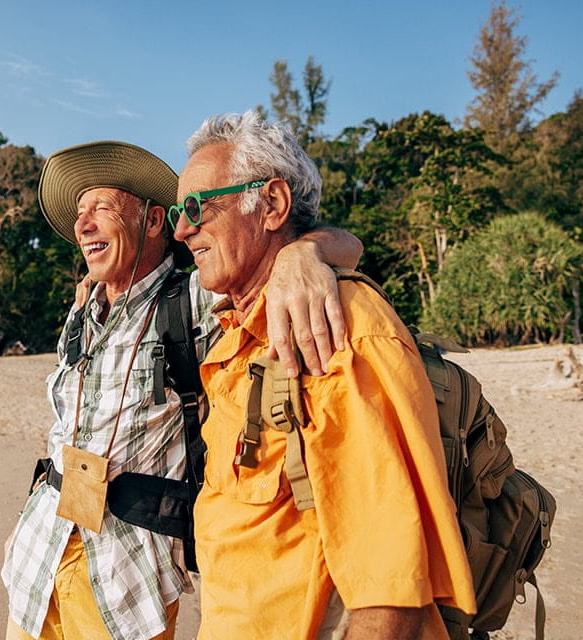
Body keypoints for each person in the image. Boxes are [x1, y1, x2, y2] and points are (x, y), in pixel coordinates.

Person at [1, 140, 362, 640]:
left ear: (153, 223)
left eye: (102, 208)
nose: (83, 225)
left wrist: (307, 251)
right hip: (37, 557)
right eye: (80, 213)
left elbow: (342, 243)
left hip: (124, 578)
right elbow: (64, 428)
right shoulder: (81, 310)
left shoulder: (194, 298)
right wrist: (27, 520)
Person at [173, 112, 475, 639]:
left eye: (197, 207)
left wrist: (309, 249)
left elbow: (389, 592)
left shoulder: (339, 328)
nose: (182, 228)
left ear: (270, 205)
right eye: (178, 211)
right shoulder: (235, 329)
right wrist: (311, 247)